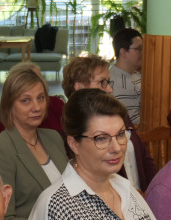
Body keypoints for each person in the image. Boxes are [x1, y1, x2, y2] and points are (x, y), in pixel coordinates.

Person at [27, 88, 162, 220]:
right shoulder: (57, 206)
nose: (116, 148)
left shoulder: (125, 188)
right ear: (74, 144)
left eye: (121, 134)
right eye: (101, 138)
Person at [0, 64, 68, 220]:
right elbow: (4, 219)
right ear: (9, 105)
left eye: (40, 98)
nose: (36, 107)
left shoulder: (53, 138)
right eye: (25, 100)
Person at [63, 54, 155, 190]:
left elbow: (143, 155)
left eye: (108, 82)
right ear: (80, 87)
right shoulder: (71, 127)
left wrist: (152, 191)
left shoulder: (117, 113)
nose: (110, 89)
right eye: (102, 82)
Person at [110, 28, 143, 124]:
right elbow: (134, 124)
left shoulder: (133, 74)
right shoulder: (121, 85)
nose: (143, 53)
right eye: (139, 49)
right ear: (123, 52)